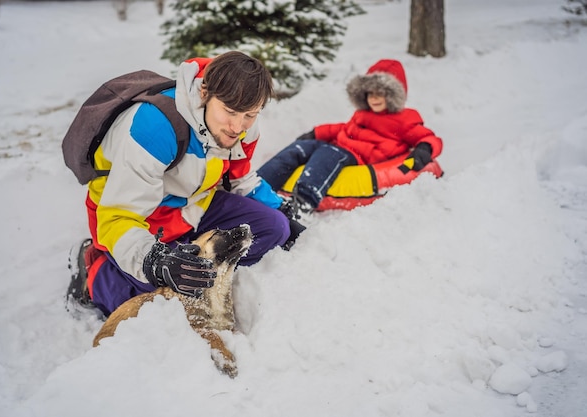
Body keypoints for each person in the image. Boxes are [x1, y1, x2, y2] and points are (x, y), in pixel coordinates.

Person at [66, 51, 302, 317]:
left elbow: (239, 177)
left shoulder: (243, 126)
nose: (238, 126)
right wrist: (156, 262)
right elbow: (119, 217)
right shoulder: (154, 128)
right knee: (166, 304)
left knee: (274, 229)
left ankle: (195, 272)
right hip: (138, 218)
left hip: (194, 206)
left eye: (250, 114)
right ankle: (96, 273)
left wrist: (279, 209)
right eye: (230, 112)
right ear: (204, 93)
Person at [257, 59, 443, 217]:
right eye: (370, 93)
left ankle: (304, 202)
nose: (374, 98)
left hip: (359, 157)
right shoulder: (363, 113)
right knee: (300, 148)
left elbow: (427, 137)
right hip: (341, 147)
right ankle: (258, 187)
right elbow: (343, 129)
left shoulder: (404, 118)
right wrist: (316, 133)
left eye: (381, 93)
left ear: (393, 94)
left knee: (327, 153)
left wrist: (424, 149)